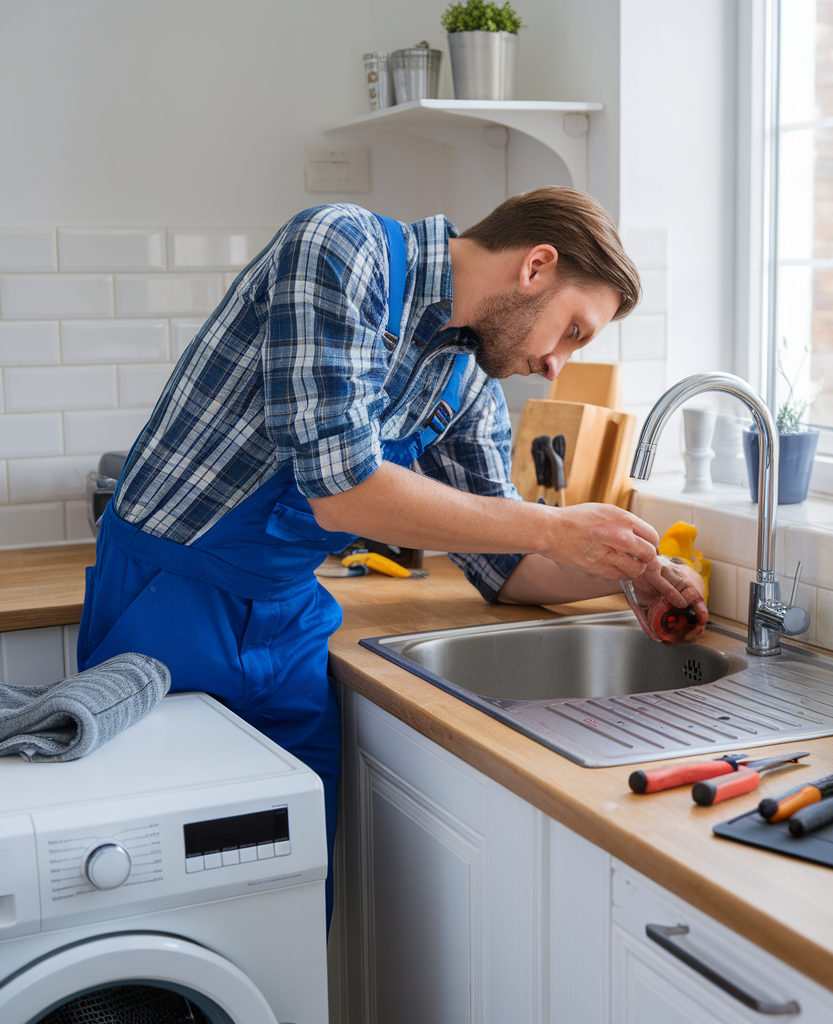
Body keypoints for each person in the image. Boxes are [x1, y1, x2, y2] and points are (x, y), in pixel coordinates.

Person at [77, 187, 708, 923]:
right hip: (166, 604)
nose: (555, 365)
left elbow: (504, 569)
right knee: (159, 898)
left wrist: (630, 574)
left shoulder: (466, 374)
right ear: (535, 266)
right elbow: (340, 491)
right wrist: (554, 526)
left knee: (287, 907)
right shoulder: (344, 249)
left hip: (286, 626)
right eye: (573, 330)